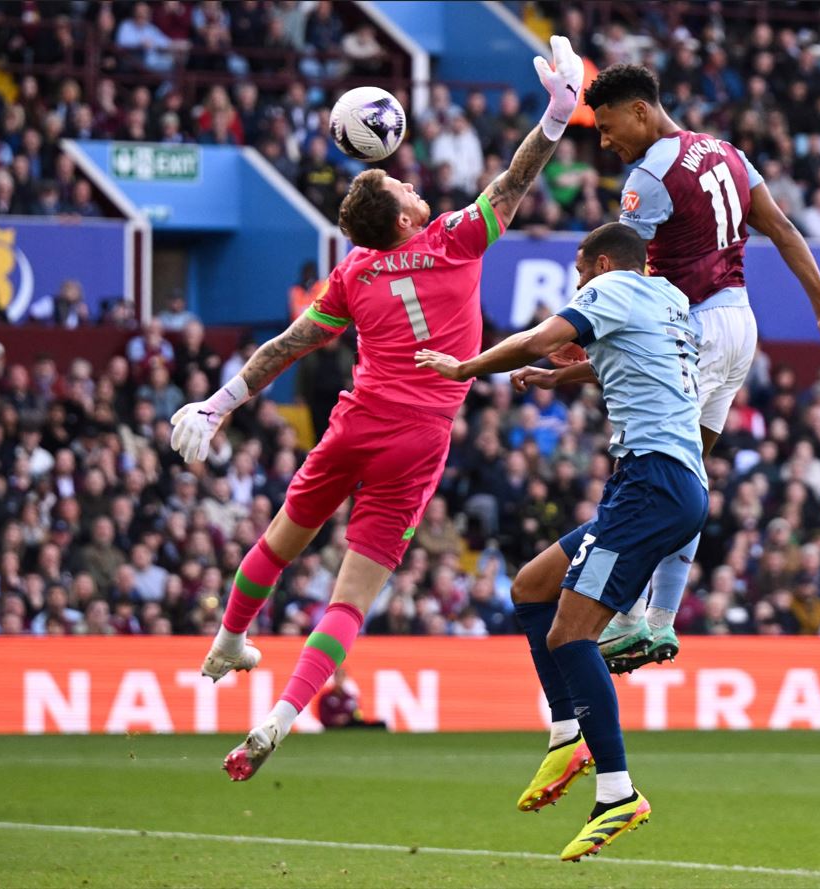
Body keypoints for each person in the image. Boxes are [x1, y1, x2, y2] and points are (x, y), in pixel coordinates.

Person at [170, 36, 583, 781]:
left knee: (279, 541)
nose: (416, 192)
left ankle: (230, 636)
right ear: (401, 220)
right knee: (351, 598)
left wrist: (217, 403)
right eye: (405, 194)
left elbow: (285, 348)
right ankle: (282, 715)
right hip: (417, 439)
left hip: (355, 422)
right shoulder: (454, 240)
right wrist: (554, 117)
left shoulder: (351, 275)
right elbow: (516, 178)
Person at [418, 222, 707, 860]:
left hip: (649, 485)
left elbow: (540, 337)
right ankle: (566, 731)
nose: (578, 285)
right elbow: (633, 362)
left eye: (580, 273)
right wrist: (557, 382)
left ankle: (617, 792)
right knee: (532, 586)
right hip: (671, 483)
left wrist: (465, 368)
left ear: (602, 264)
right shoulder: (669, 301)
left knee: (570, 633)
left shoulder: (610, 291)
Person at [579, 64, 820, 672]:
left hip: (695, 329)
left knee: (651, 477)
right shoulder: (729, 154)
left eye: (606, 128)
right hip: (741, 326)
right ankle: (660, 620)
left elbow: (624, 271)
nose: (605, 142)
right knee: (690, 479)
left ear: (640, 112)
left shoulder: (649, 175)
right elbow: (782, 228)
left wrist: (581, 330)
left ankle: (624, 615)